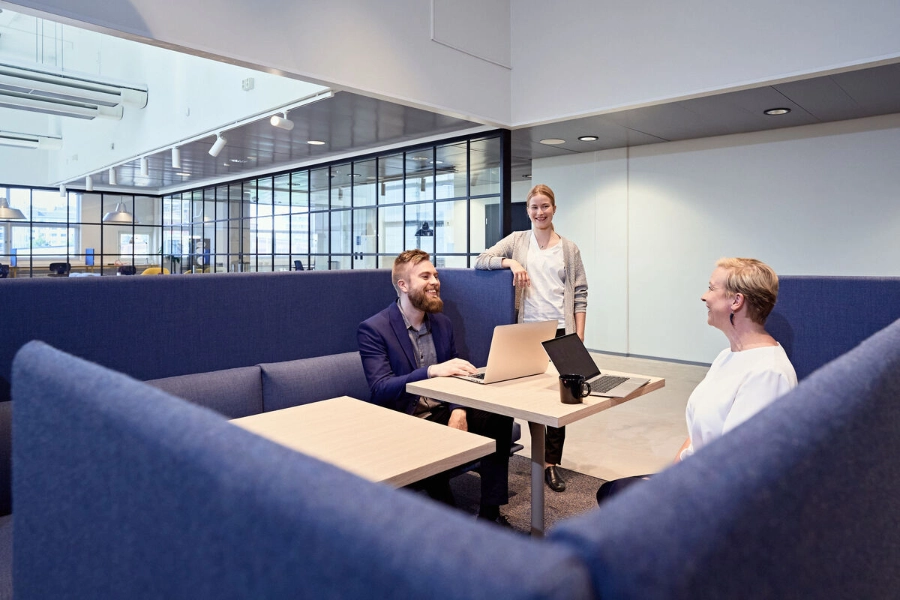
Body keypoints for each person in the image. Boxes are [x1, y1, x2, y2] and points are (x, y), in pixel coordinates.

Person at [596, 257, 798, 505]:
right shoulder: (727, 356)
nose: (704, 296)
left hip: (716, 499)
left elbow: (737, 469)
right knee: (610, 491)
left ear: (736, 301)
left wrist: (676, 488)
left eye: (712, 288)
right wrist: (671, 476)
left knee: (616, 497)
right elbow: (697, 435)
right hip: (696, 479)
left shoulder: (768, 374)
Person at [357, 249, 515, 527]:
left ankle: (490, 515)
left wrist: (458, 409)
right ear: (403, 285)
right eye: (425, 276)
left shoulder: (442, 323)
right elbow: (381, 388)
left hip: (440, 413)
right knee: (447, 519)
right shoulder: (374, 328)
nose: (435, 282)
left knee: (498, 418)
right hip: (404, 420)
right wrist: (430, 372)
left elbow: (455, 375)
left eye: (436, 275)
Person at [475, 183, 587, 493]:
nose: (540, 212)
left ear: (554, 209)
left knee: (562, 399)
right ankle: (521, 458)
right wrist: (511, 262)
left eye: (545, 206)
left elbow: (580, 293)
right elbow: (481, 260)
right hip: (527, 331)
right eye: (534, 207)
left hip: (561, 331)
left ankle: (551, 464)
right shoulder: (517, 242)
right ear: (528, 211)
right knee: (525, 393)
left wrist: (579, 336)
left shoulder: (569, 248)